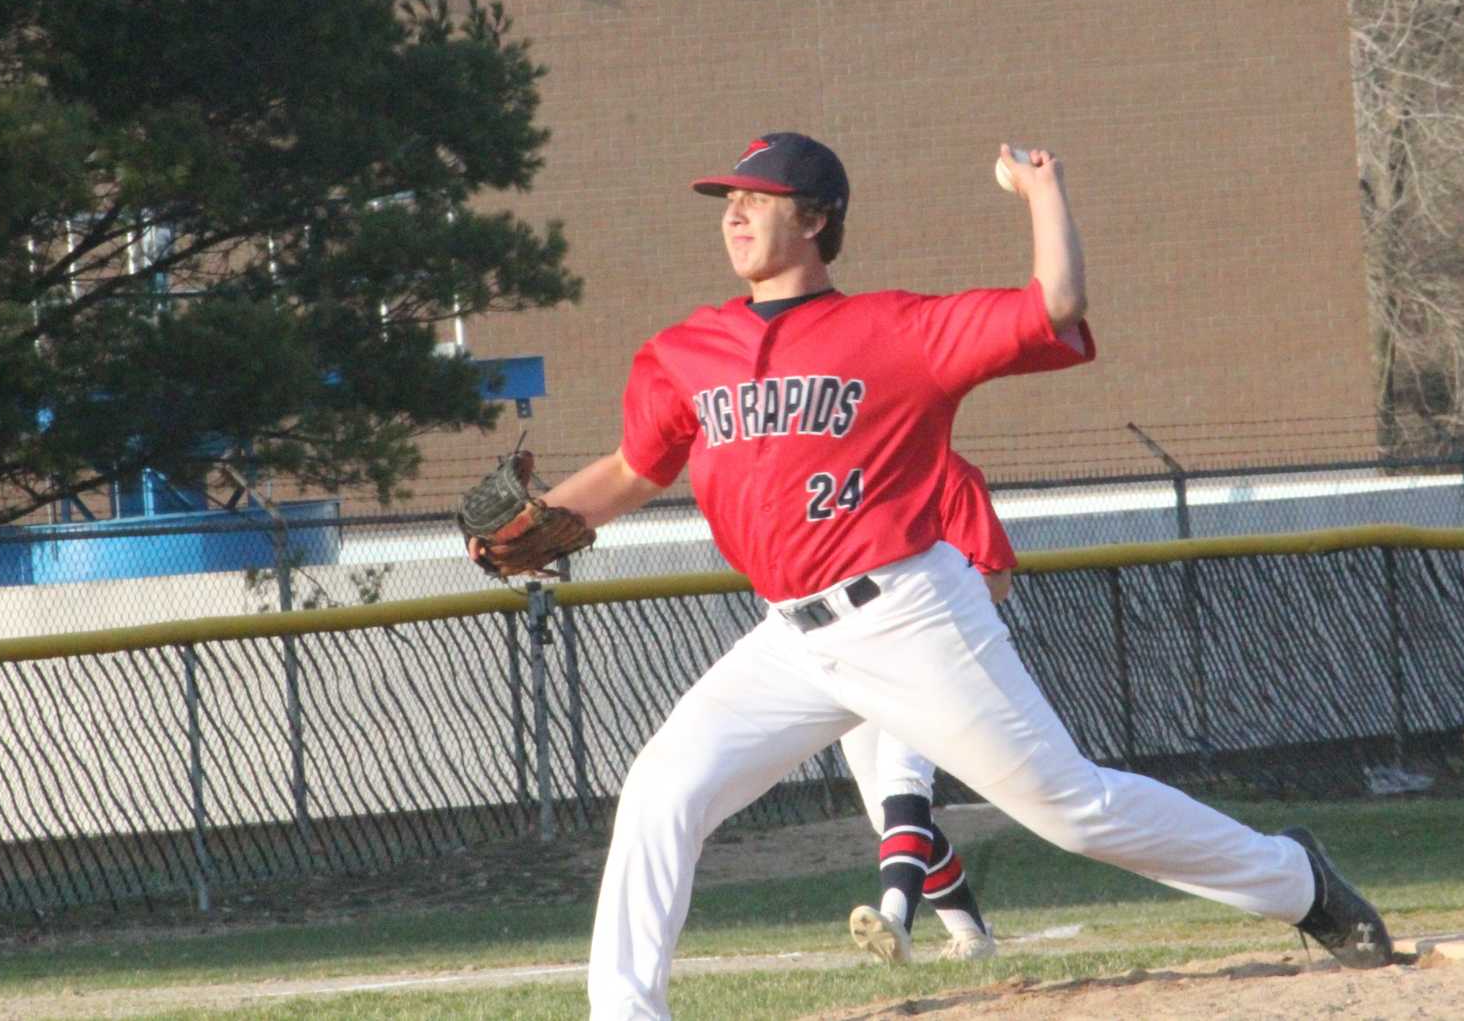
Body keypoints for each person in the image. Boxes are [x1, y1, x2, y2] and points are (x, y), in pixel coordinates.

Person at [532, 131, 1393, 1020]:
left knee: (1073, 809)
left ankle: (1296, 879)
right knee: (662, 787)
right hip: (791, 636)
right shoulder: (688, 349)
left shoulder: (897, 330)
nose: (737, 210)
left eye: (760, 194)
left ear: (819, 217)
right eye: (729, 198)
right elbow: (637, 468)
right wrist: (536, 522)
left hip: (906, 612)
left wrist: (1042, 190)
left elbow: (1055, 301)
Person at [842, 450, 1012, 966]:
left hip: (931, 652)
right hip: (854, 653)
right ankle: (972, 934)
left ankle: (895, 916)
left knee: (903, 779)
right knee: (883, 810)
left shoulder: (950, 475)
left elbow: (996, 582)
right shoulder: (847, 471)